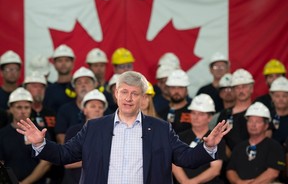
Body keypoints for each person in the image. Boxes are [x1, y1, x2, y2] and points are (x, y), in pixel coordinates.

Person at [17, 71, 230, 184]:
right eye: (124, 92)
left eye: (134, 93)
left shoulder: (161, 129)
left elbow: (186, 159)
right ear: (116, 94)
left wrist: (207, 147)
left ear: (142, 97)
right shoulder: (94, 128)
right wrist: (40, 143)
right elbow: (64, 154)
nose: (129, 98)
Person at [0, 87, 51, 183]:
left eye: (26, 107)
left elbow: (46, 163)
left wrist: (24, 183)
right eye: (19, 107)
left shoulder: (40, 132)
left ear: (31, 109)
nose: (23, 111)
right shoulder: (2, 134)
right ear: (10, 109)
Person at [173, 94, 226, 184]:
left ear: (210, 117)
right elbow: (174, 163)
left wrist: (192, 182)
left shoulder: (216, 139)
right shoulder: (179, 137)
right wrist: (185, 182)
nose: (196, 117)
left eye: (201, 114)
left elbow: (215, 169)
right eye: (193, 113)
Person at [226, 102, 286, 183]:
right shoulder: (239, 147)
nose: (253, 125)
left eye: (257, 122)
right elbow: (230, 170)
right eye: (250, 121)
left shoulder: (274, 146)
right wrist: (238, 182)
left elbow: (273, 173)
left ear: (266, 125)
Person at [62, 89, 108, 184]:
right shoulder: (73, 131)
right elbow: (67, 163)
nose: (97, 109)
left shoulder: (110, 132)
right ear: (84, 110)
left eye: (100, 107)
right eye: (93, 106)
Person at [55, 67, 97, 144]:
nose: (83, 85)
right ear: (74, 87)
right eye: (79, 83)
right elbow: (60, 136)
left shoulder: (103, 109)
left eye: (87, 82)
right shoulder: (65, 110)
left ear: (94, 85)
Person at [217, 68, 254, 156]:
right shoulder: (225, 114)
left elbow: (265, 139)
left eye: (244, 87)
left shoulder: (259, 111)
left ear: (251, 89)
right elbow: (218, 138)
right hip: (229, 162)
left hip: (254, 159)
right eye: (237, 87)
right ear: (233, 90)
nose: (241, 91)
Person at [43, 44, 76, 113]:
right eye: (60, 61)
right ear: (54, 64)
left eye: (67, 60)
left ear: (73, 63)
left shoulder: (79, 87)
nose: (63, 64)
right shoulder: (49, 90)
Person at [158, 69, 192, 134]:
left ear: (186, 90)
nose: (176, 91)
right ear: (167, 89)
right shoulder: (161, 113)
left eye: (180, 87)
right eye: (173, 87)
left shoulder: (194, 112)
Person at [269, 77, 288, 147]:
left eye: (284, 96)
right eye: (277, 96)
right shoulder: (266, 119)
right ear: (272, 97)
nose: (281, 99)